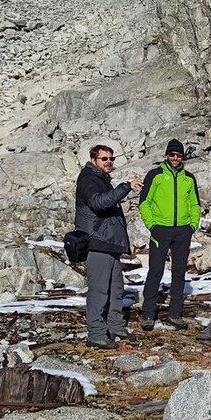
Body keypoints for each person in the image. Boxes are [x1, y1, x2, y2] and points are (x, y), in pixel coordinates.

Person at [75, 144, 143, 349]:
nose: (109, 162)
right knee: (99, 291)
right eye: (104, 159)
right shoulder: (89, 179)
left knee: (116, 289)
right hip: (97, 243)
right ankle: (95, 334)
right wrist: (125, 187)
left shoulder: (101, 180)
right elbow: (98, 203)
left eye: (111, 158)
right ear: (94, 159)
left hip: (109, 243)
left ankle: (116, 327)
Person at [138, 139, 201, 331]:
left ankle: (175, 313)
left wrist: (192, 225)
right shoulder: (155, 175)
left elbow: (195, 204)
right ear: (167, 155)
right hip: (160, 230)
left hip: (182, 231)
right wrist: (152, 226)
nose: (175, 158)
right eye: (172, 155)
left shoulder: (189, 177)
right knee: (156, 270)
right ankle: (148, 313)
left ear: (182, 157)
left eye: (179, 155)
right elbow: (144, 202)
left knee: (179, 272)